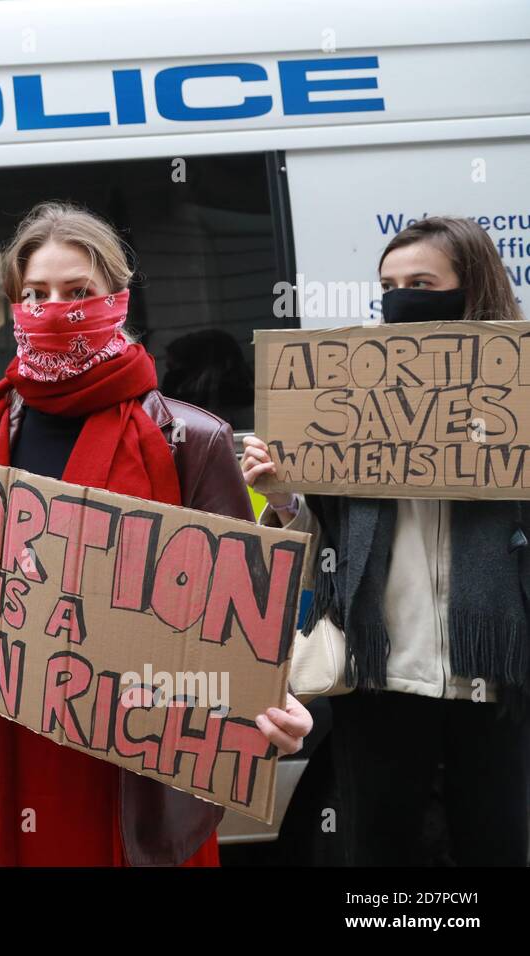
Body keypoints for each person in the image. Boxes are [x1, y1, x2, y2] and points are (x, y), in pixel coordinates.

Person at [0, 201, 313, 867]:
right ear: (13, 304)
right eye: (36, 294)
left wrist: (271, 706)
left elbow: (235, 620)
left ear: (116, 297)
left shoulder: (191, 439)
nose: (55, 308)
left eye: (78, 292)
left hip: (119, 762)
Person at [242, 216, 530, 866]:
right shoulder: (350, 396)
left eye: (422, 283)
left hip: (494, 678)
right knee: (377, 855)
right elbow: (320, 543)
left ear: (472, 288)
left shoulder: (521, 396)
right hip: (380, 676)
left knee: (495, 845)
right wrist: (284, 495)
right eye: (390, 286)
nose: (402, 298)